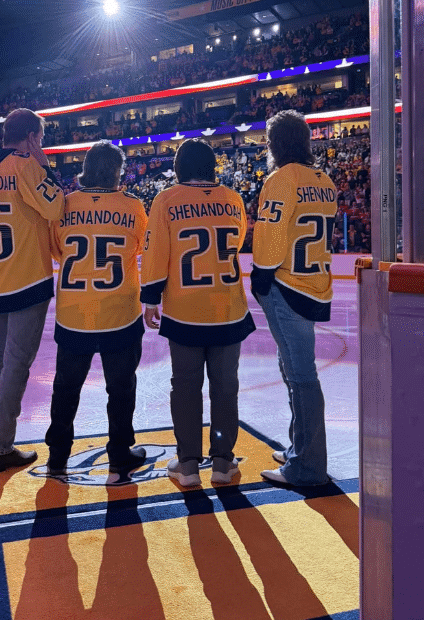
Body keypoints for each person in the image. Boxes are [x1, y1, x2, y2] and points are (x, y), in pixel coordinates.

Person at [141, 138, 256, 487]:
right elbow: (236, 242)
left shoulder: (166, 200)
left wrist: (150, 298)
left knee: (186, 387)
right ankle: (222, 462)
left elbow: (156, 252)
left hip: (185, 309)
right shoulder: (233, 198)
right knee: (225, 388)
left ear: (179, 167)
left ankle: (188, 464)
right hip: (228, 308)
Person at [0, 108, 65, 473]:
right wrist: (45, 166)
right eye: (39, 139)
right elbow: (56, 207)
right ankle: (0, 446)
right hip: (25, 277)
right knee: (16, 364)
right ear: (30, 138)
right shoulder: (25, 165)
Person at [45, 141, 148, 481]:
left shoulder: (64, 205)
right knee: (120, 388)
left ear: (86, 169)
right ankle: (119, 454)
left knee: (66, 388)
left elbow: (58, 251)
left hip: (74, 313)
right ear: (117, 171)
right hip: (120, 311)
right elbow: (138, 248)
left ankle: (57, 456)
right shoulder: (133, 207)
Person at [248, 110, 336, 487]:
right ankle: (299, 447)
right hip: (316, 281)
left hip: (287, 285)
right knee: (295, 372)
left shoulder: (281, 179)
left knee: (301, 376)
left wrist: (260, 277)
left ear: (274, 144)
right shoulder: (324, 180)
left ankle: (307, 465)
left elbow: (270, 236)